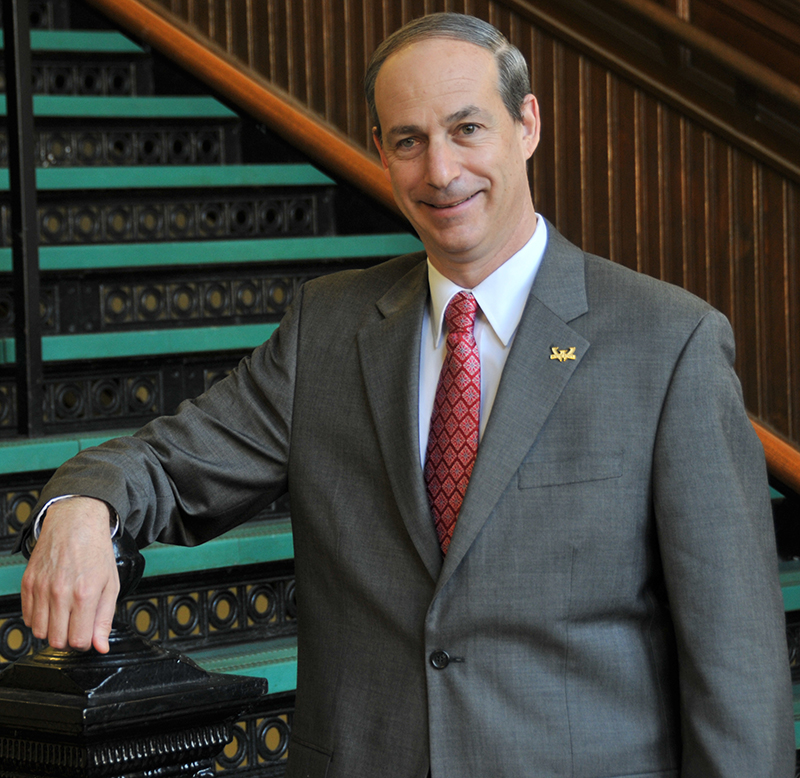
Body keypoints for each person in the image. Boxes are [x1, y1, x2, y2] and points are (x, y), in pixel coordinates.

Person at [17, 12, 794, 778]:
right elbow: (172, 464)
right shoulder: (327, 328)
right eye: (408, 140)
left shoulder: (668, 342)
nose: (441, 172)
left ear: (527, 124)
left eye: (466, 129)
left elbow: (737, 661)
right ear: (382, 152)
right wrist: (85, 507)